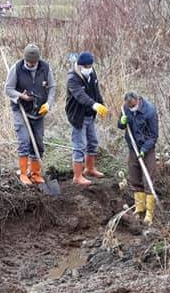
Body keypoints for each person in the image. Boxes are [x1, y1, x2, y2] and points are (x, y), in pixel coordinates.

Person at [5, 43, 55, 186]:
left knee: (38, 143)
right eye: (28, 63)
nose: (31, 65)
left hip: (39, 111)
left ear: (38, 60)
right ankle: (23, 174)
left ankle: (35, 173)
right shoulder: (17, 68)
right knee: (24, 141)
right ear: (24, 59)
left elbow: (52, 87)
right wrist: (21, 96)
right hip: (20, 109)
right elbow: (8, 89)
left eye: (34, 63)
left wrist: (48, 104)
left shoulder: (45, 68)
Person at [65, 51, 107, 187]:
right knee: (79, 145)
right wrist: (94, 104)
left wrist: (101, 105)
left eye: (90, 66)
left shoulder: (92, 73)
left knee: (93, 142)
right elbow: (80, 95)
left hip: (90, 115)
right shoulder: (72, 78)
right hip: (77, 116)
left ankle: (89, 169)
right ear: (79, 65)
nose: (89, 69)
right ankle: (77, 176)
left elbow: (96, 92)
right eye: (86, 66)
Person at [117, 91, 158, 224]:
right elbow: (121, 126)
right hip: (133, 148)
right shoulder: (125, 109)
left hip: (147, 148)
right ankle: (140, 208)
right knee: (134, 177)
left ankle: (149, 213)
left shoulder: (150, 111)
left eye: (133, 105)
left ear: (138, 100)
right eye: (129, 106)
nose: (131, 108)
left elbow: (153, 136)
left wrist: (144, 150)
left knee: (148, 179)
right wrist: (121, 122)